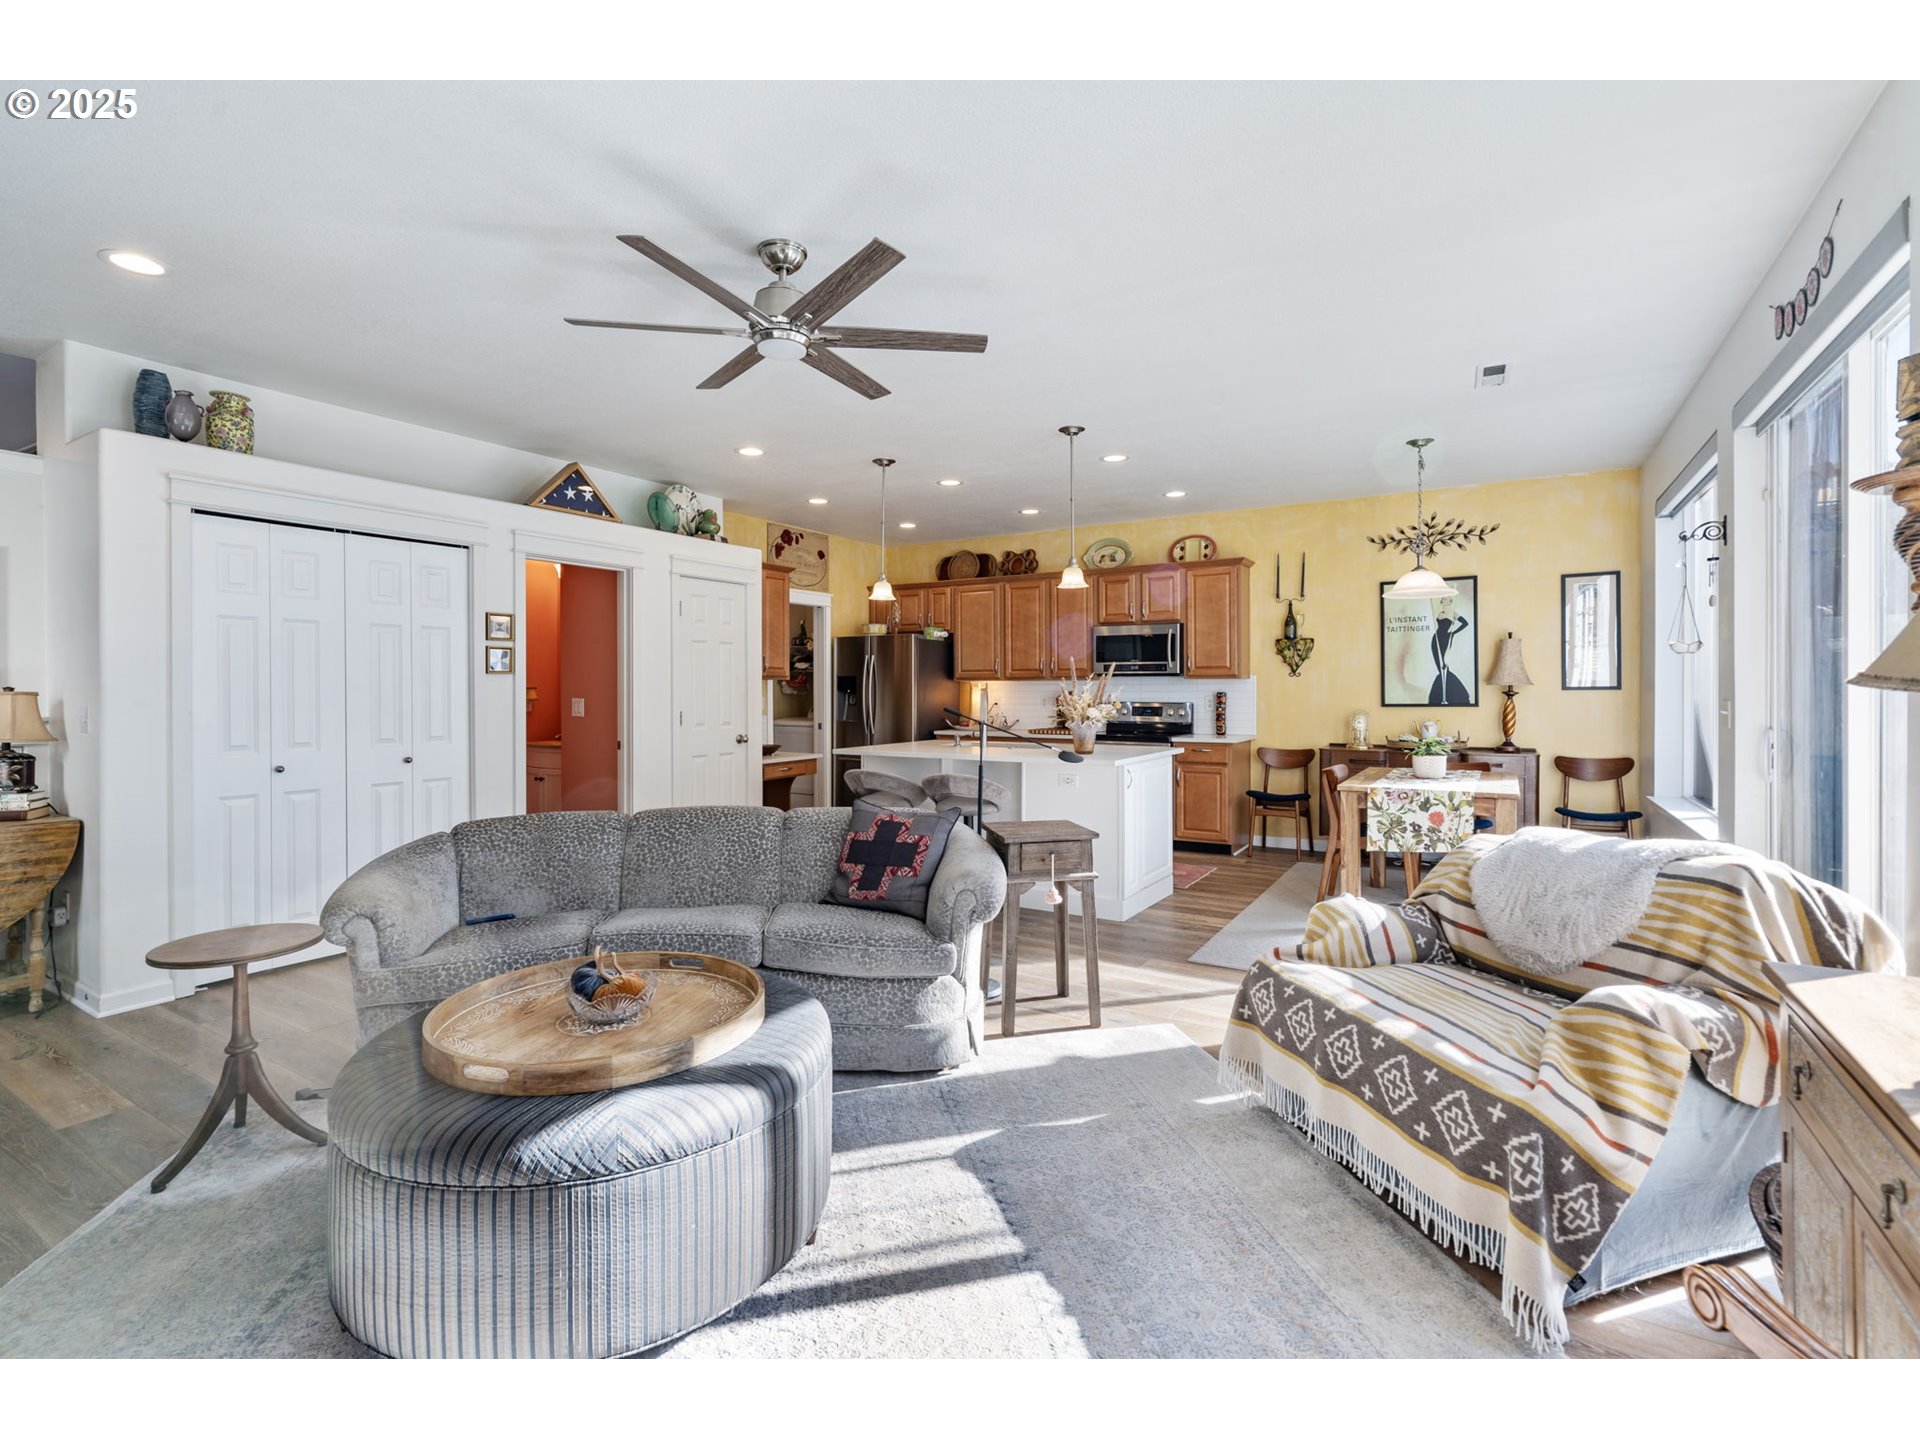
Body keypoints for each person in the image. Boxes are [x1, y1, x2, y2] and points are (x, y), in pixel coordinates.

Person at [1427, 596, 1471, 706]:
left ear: (1450, 601)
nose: (1442, 601)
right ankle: (1443, 693)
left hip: (1446, 639)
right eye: (1442, 600)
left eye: (1445, 599)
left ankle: (1454, 693)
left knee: (1444, 666)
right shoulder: (1440, 612)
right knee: (1440, 667)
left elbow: (1465, 623)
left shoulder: (1453, 613)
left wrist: (1453, 633)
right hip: (1436, 639)